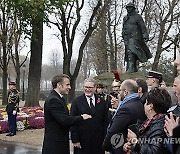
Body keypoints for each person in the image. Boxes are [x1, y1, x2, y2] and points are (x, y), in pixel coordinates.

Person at [42, 74, 91, 154]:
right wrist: (82, 117)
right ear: (59, 85)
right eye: (67, 84)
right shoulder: (53, 100)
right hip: (55, 145)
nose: (70, 87)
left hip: (59, 142)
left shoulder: (58, 98)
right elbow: (64, 120)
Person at [103, 79, 146, 154]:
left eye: (120, 91)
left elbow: (114, 129)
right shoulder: (139, 103)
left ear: (125, 92)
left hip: (123, 148)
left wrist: (106, 145)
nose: (119, 93)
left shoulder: (126, 109)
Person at [123, 87, 171, 154]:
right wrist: (131, 146)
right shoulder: (151, 121)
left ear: (150, 107)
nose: (144, 105)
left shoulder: (160, 126)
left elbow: (154, 151)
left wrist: (135, 141)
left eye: (145, 103)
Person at [70, 78, 109, 154]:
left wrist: (105, 139)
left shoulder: (102, 102)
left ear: (95, 88)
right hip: (82, 142)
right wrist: (75, 140)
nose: (87, 89)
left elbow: (105, 121)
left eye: (90, 87)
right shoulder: (76, 102)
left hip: (98, 142)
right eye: (85, 87)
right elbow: (73, 121)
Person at [122, 2, 152, 73]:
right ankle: (132, 67)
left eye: (130, 7)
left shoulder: (137, 17)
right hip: (127, 38)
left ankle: (131, 68)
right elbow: (124, 27)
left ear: (133, 8)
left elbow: (143, 27)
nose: (128, 9)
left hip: (135, 37)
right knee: (129, 52)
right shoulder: (125, 18)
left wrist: (145, 35)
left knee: (131, 51)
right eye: (127, 7)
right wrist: (123, 34)